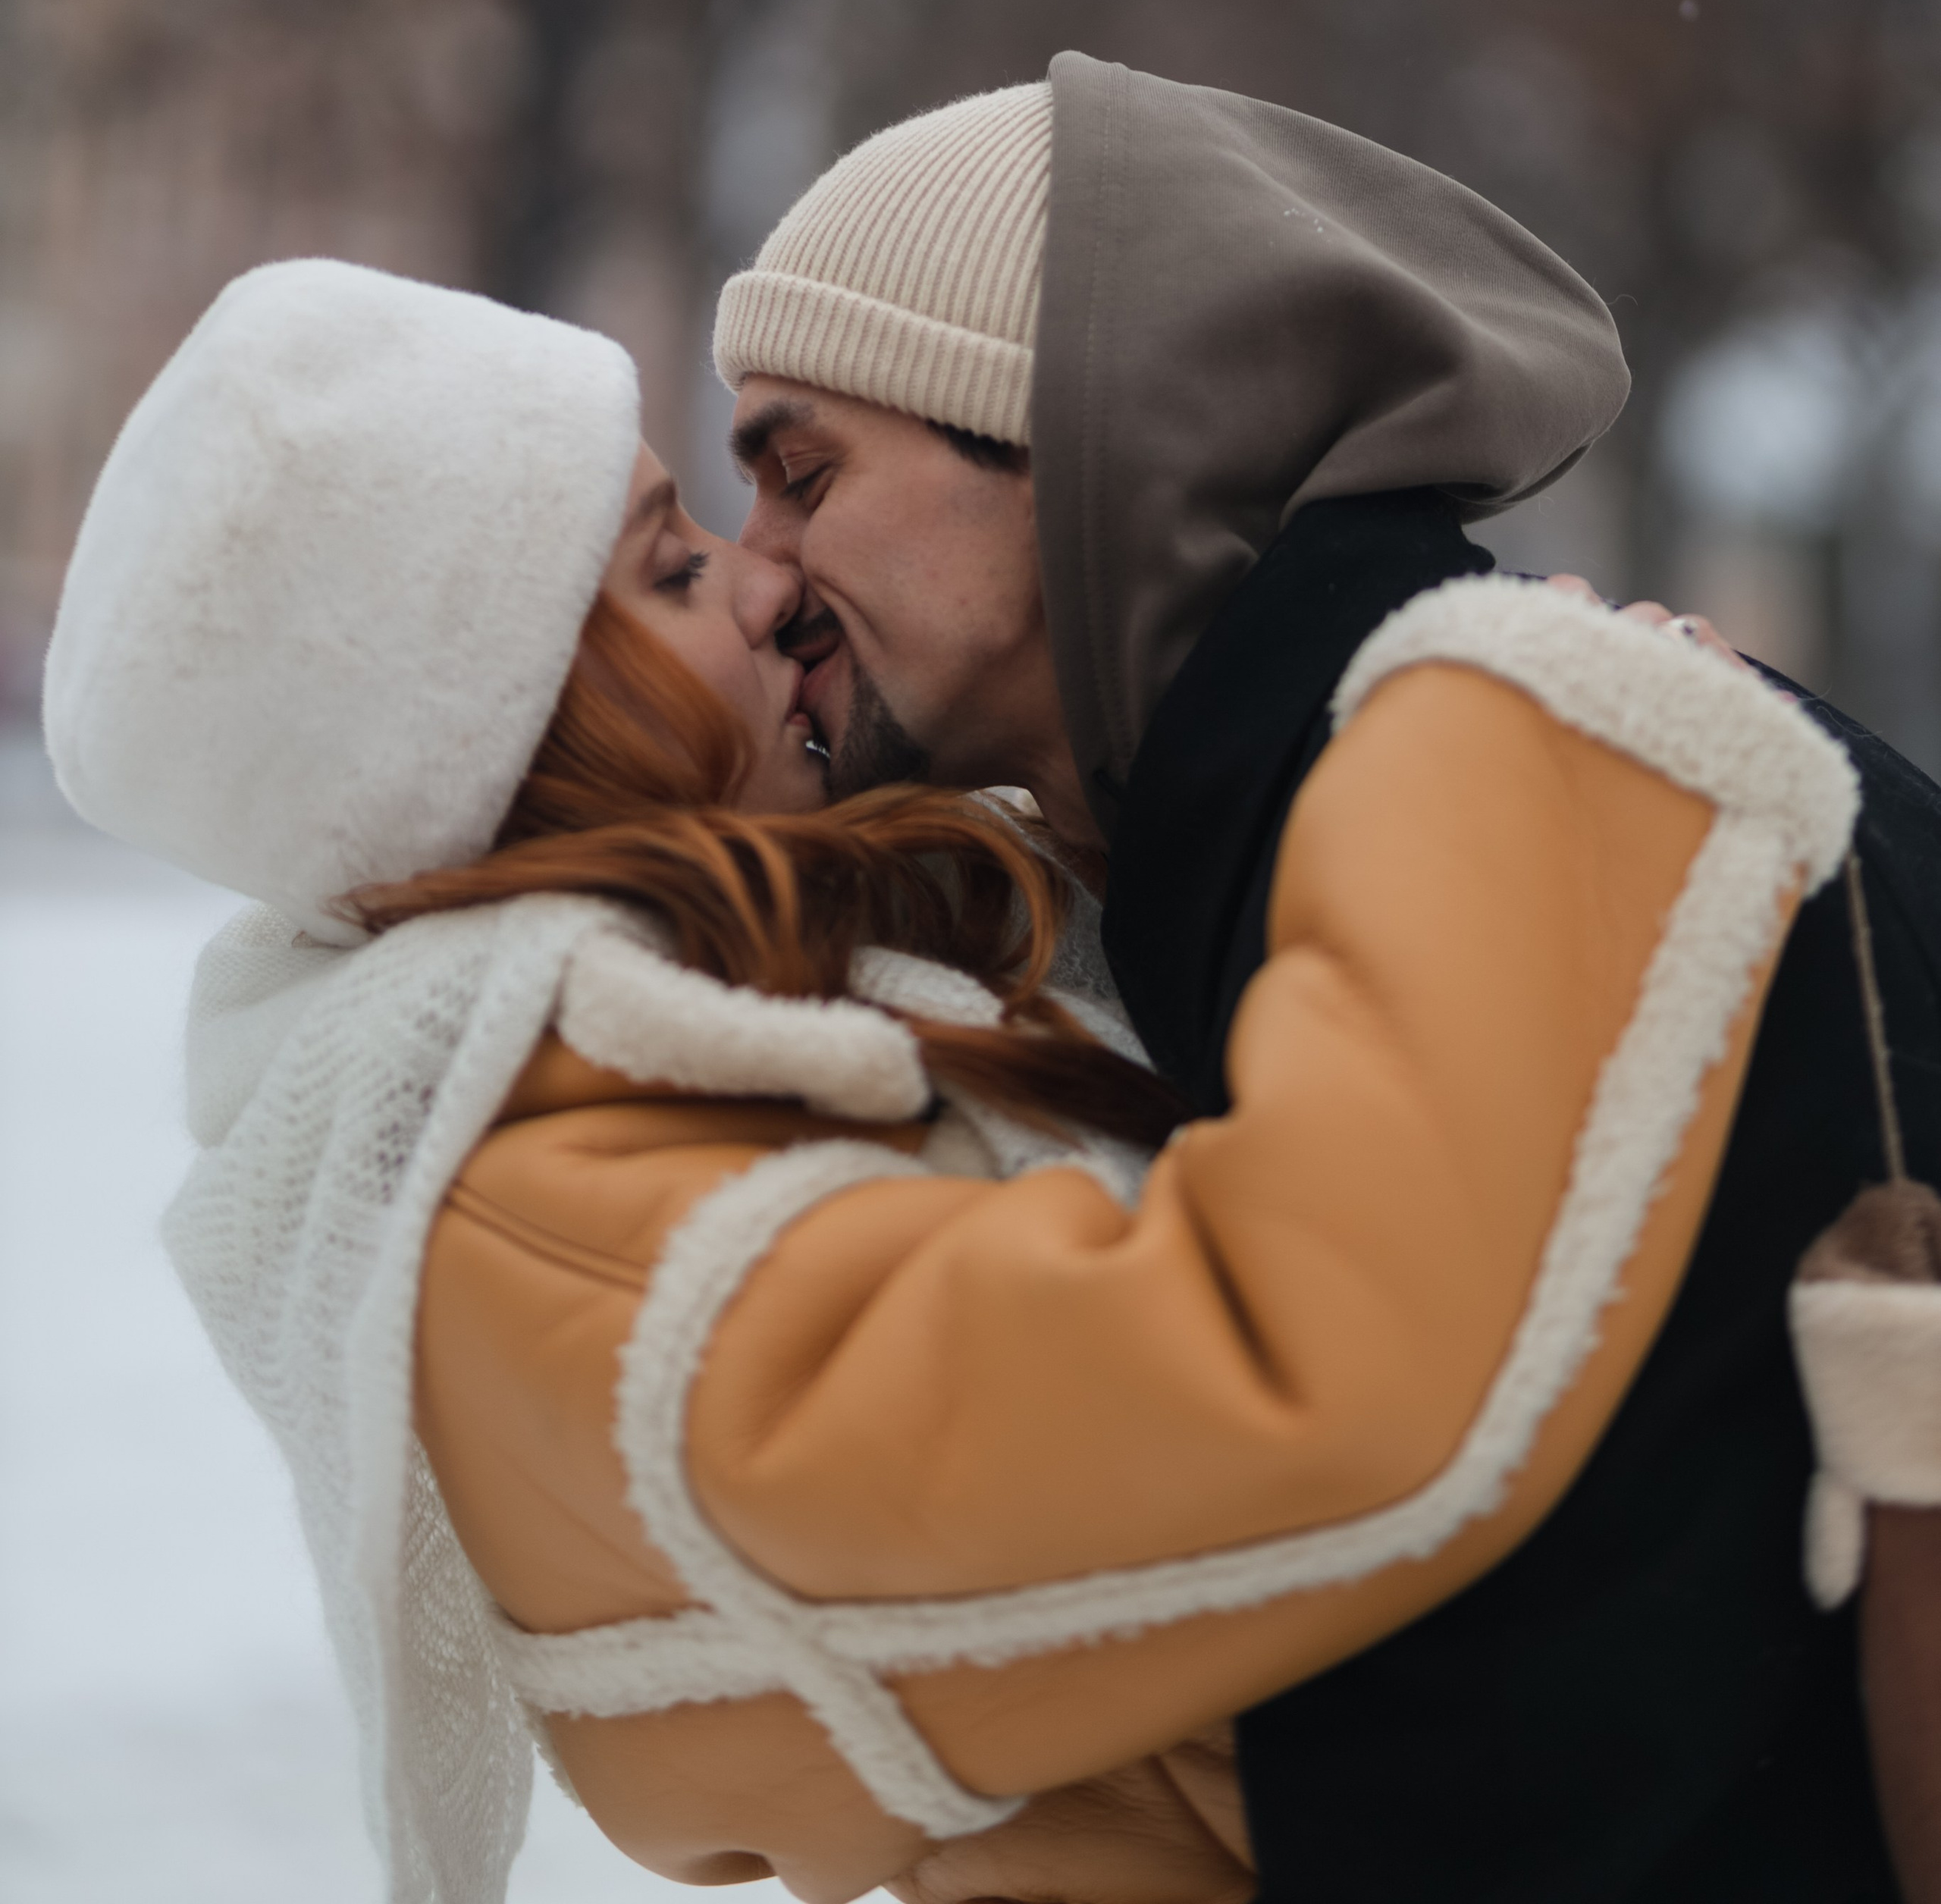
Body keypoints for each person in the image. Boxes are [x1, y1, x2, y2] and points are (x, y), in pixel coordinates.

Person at [42, 254, 1855, 1904]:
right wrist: (1499, 742)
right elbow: (1295, 1388)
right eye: (673, 568)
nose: (767, 584)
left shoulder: (773, 1013)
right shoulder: (561, 1255)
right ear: (516, 743)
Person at [709, 52, 1941, 1902]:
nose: (760, 573)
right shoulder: (1264, 842)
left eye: (802, 471)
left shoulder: (1519, 798)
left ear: (1081, 444)